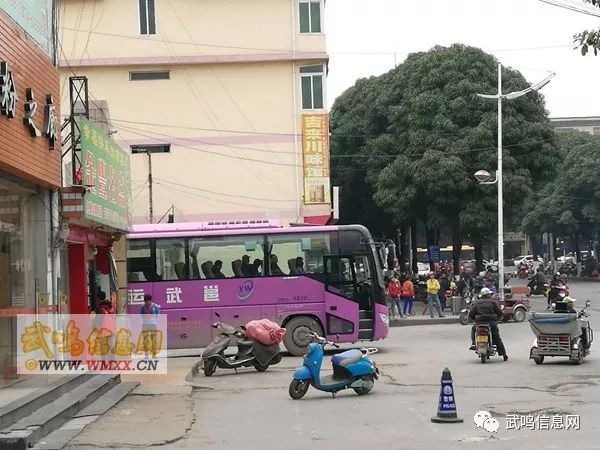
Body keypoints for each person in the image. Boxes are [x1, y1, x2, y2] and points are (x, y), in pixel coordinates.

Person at [468, 287, 508, 361]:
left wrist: (475, 321)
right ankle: (504, 355)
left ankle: (473, 343)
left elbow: (471, 315)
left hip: (480, 323)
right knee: (497, 338)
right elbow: (500, 313)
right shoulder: (493, 302)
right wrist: (497, 319)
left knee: (474, 329)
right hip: (491, 323)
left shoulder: (477, 303)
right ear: (488, 295)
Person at [140, 294, 160, 358]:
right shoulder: (142, 307)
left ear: (150, 300)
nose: (147, 302)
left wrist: (155, 322)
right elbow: (141, 315)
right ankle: (146, 355)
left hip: (153, 325)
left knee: (154, 339)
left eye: (148, 300)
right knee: (145, 340)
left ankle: (154, 354)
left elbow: (158, 314)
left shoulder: (155, 307)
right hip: (145, 325)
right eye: (145, 301)